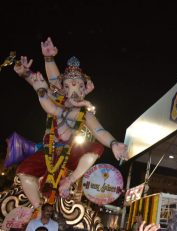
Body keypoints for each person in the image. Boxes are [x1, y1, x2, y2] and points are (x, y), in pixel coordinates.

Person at [13, 37, 128, 209]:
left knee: (96, 149)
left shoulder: (84, 113)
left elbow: (99, 130)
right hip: (48, 151)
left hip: (70, 152)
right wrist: (29, 73)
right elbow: (48, 85)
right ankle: (38, 208)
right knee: (23, 172)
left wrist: (113, 143)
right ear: (63, 88)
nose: (76, 91)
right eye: (70, 86)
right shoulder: (56, 100)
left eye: (80, 87)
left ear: (85, 89)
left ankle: (69, 180)